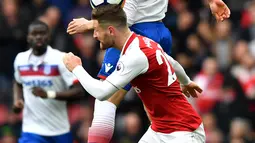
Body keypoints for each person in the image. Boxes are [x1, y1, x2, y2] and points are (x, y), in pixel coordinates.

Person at [66, 0, 231, 142]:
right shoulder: (146, 47)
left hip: (137, 27)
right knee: (151, 99)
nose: (94, 36)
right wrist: (186, 81)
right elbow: (173, 63)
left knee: (105, 101)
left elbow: (102, 92)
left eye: (97, 32)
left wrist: (89, 27)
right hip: (158, 29)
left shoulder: (135, 51)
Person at [12, 20, 84, 143]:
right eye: (34, 34)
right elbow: (18, 82)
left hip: (59, 130)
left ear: (49, 36)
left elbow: (79, 92)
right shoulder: (20, 59)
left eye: (42, 33)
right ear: (28, 37)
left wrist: (49, 94)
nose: (38, 37)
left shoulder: (61, 59)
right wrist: (17, 100)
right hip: (31, 130)